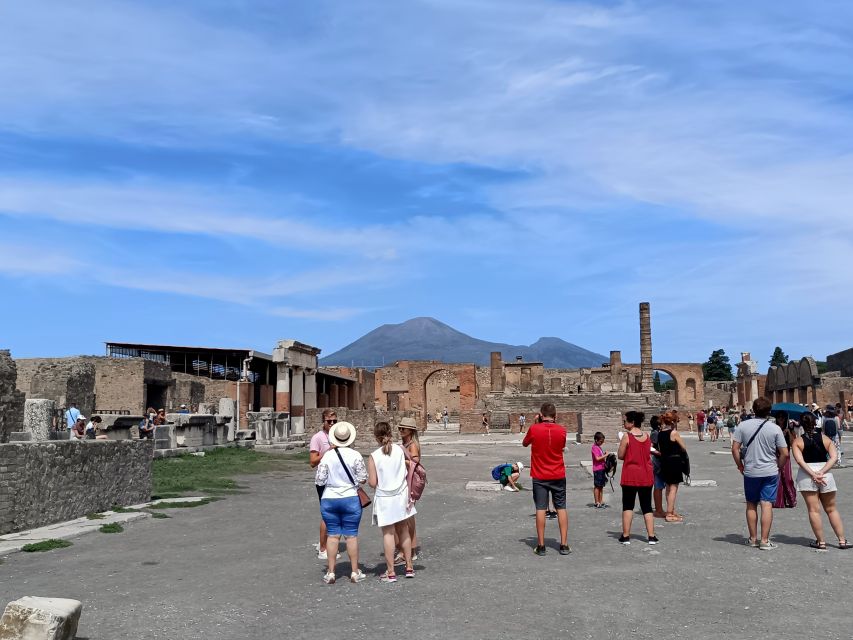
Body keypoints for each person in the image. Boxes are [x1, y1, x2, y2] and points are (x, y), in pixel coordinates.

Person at [732, 397, 788, 550]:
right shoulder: (775, 428)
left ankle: (752, 539)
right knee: (767, 504)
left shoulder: (743, 426)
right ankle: (764, 540)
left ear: (753, 410)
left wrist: (740, 466)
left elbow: (735, 449)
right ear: (769, 411)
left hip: (751, 471)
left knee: (751, 503)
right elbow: (784, 453)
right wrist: (778, 467)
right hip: (770, 471)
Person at [315, 421, 368, 584]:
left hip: (330, 498)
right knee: (351, 536)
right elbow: (363, 478)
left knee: (332, 535)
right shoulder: (355, 455)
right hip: (350, 498)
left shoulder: (327, 456)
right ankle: (354, 571)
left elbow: (319, 479)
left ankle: (331, 572)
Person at [790, 412, 849, 549]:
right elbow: (834, 457)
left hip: (806, 476)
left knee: (813, 510)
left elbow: (799, 461)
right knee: (832, 509)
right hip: (825, 474)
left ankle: (821, 542)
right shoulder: (826, 439)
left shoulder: (797, 442)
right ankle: (841, 540)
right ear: (815, 422)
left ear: (802, 424)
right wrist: (821, 472)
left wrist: (813, 474)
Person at [368, 421, 416, 582]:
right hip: (401, 495)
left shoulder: (374, 456)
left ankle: (391, 572)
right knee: (404, 531)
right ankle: (409, 567)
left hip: (384, 498)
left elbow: (373, 483)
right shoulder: (400, 450)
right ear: (390, 432)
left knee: (388, 534)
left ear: (376, 437)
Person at [522, 402, 570, 556]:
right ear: (555, 416)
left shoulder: (534, 429)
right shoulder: (562, 430)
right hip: (557, 474)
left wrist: (536, 424)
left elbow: (525, 443)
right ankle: (563, 544)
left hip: (540, 475)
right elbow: (560, 446)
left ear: (541, 415)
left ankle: (541, 546)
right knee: (561, 508)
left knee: (541, 509)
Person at [618, 411, 658, 545]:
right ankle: (651, 536)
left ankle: (626, 536)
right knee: (646, 506)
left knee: (628, 505)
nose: (624, 423)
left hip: (630, 474)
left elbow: (621, 455)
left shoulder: (627, 437)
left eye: (625, 421)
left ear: (632, 422)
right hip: (646, 474)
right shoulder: (647, 436)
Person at [310, 409, 338, 560]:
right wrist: (328, 450)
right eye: (329, 421)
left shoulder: (339, 436)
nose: (332, 424)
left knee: (335, 514)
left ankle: (329, 544)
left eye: (334, 421)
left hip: (337, 480)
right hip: (323, 480)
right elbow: (313, 461)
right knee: (327, 515)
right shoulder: (318, 438)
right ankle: (322, 548)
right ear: (323, 421)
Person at [398, 417, 422, 560]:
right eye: (400, 428)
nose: (401, 430)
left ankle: (411, 549)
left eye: (403, 429)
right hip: (404, 482)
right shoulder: (404, 443)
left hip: (410, 483)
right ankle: (404, 548)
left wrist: (399, 459)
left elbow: (415, 462)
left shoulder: (413, 445)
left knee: (409, 517)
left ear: (411, 431)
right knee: (404, 517)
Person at [657, 411, 687, 522]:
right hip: (674, 461)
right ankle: (669, 514)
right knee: (673, 488)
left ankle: (671, 510)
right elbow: (683, 447)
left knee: (668, 488)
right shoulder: (673, 433)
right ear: (673, 422)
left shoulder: (660, 433)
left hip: (664, 461)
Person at [773, 412, 797, 509]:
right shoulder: (774, 429)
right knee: (777, 478)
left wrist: (788, 433)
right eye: (779, 417)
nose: (781, 419)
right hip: (775, 455)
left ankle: (791, 499)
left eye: (783, 417)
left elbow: (793, 443)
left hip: (786, 455)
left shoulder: (790, 429)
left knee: (787, 478)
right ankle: (779, 501)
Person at [649, 415, 666, 518]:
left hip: (658, 461)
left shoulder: (656, 433)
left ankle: (659, 509)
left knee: (659, 486)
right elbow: (650, 448)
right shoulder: (655, 434)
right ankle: (659, 510)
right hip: (657, 462)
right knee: (658, 486)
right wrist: (660, 454)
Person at [591, 432, 608, 508]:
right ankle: (596, 501)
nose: (602, 443)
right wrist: (605, 455)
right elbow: (597, 458)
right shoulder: (594, 447)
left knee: (601, 486)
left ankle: (600, 501)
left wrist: (604, 454)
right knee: (597, 486)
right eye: (600, 441)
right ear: (596, 440)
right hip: (597, 469)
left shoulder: (598, 447)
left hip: (602, 468)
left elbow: (600, 456)